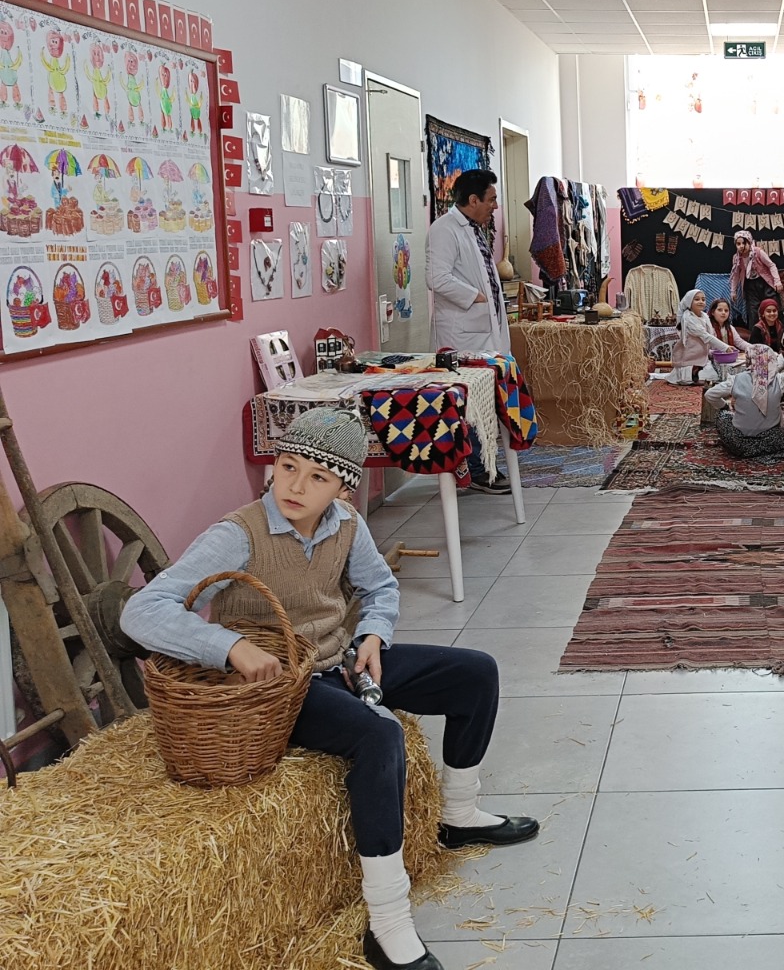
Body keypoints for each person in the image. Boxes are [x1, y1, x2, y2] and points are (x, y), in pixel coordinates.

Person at [121, 409, 539, 970]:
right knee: (379, 737)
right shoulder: (236, 534)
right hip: (279, 688)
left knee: (475, 673)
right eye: (287, 467)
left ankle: (458, 815)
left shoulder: (346, 523)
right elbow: (141, 611)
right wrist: (228, 647)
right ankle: (388, 922)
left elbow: (380, 587)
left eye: (317, 476)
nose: (295, 486)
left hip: (338, 661)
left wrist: (373, 635)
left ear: (343, 487)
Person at [425, 169, 510, 494]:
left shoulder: (472, 229)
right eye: (491, 199)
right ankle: (477, 470)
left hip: (482, 330)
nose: (495, 206)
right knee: (469, 404)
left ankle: (483, 466)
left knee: (483, 401)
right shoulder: (444, 229)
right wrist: (475, 297)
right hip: (461, 334)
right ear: (473, 200)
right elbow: (436, 277)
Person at [704, 345, 784, 459]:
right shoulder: (779, 379)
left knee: (721, 415)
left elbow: (710, 395)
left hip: (739, 444)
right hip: (774, 443)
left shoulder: (736, 380)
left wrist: (725, 406)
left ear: (748, 361)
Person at [671, 288, 744, 384]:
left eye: (703, 299)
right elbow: (706, 336)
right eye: (697, 299)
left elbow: (710, 336)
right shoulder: (688, 318)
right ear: (689, 302)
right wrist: (725, 347)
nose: (701, 301)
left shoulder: (704, 316)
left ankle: (696, 373)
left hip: (703, 358)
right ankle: (691, 373)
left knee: (713, 377)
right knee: (697, 379)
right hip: (689, 356)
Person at [730, 229, 782, 326]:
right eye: (738, 244)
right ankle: (755, 333)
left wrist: (777, 281)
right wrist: (733, 291)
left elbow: (771, 265)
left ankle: (780, 331)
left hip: (765, 283)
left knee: (773, 306)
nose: (741, 246)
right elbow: (735, 275)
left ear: (749, 242)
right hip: (750, 286)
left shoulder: (758, 252)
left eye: (744, 243)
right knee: (753, 312)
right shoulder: (737, 258)